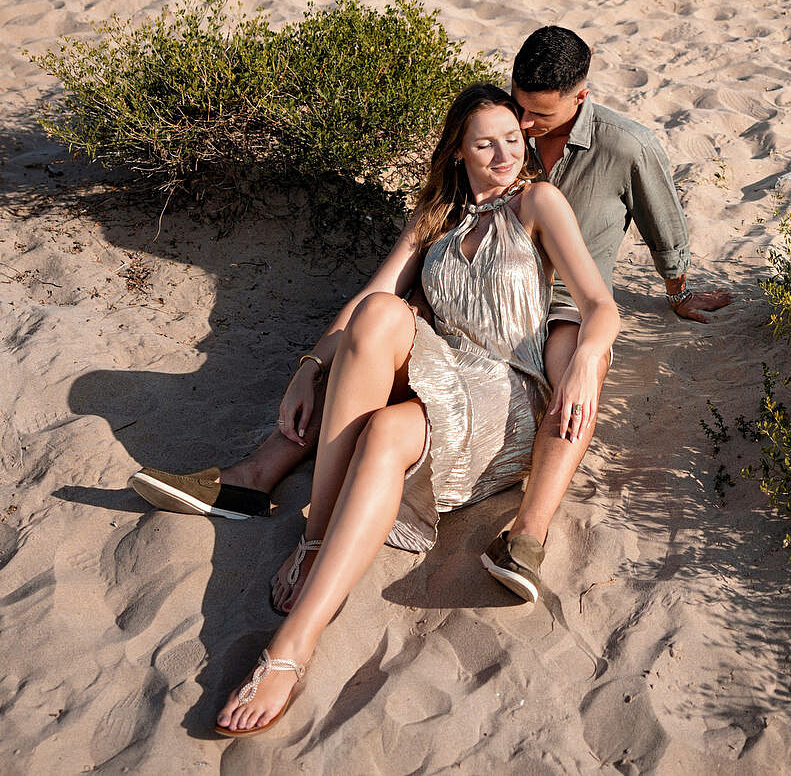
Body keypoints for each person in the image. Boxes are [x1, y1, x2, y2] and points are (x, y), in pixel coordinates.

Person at [130, 27, 731, 604]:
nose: (520, 126)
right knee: (374, 332)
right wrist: (308, 364)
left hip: (558, 303)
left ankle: (528, 533)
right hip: (469, 287)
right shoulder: (491, 146)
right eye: (516, 108)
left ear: (581, 98)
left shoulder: (626, 146)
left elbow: (661, 231)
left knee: (576, 367)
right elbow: (383, 285)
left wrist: (677, 291)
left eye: (535, 118)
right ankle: (258, 474)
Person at [214, 83, 612, 736]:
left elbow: (600, 304)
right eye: (486, 143)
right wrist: (308, 370)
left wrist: (586, 369)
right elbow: (368, 298)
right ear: (458, 151)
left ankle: (293, 643)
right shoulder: (438, 214)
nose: (504, 154)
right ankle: (316, 540)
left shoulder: (538, 201)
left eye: (513, 139)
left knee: (392, 420)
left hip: (506, 396)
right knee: (377, 324)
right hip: (444, 373)